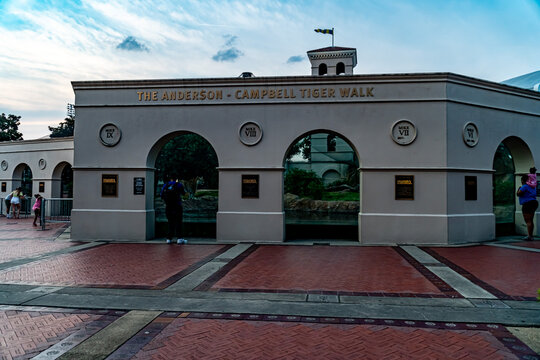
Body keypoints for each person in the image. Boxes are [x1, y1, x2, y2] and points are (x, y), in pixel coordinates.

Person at [160, 175, 186, 244]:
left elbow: (161, 195)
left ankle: (169, 238)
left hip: (168, 206)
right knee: (178, 221)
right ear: (176, 179)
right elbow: (184, 193)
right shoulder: (179, 185)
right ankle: (179, 238)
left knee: (170, 222)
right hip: (177, 206)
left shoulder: (166, 185)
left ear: (170, 179)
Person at [517, 174, 538, 241]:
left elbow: (519, 194)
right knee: (531, 220)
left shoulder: (524, 186)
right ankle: (531, 236)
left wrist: (519, 189)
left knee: (528, 221)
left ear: (523, 180)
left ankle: (529, 236)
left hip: (527, 204)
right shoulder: (533, 187)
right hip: (534, 203)